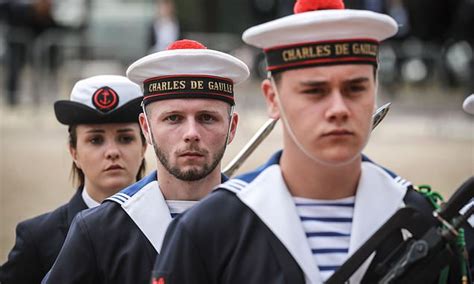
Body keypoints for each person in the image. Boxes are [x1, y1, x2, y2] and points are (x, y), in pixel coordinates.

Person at [152, 0, 473, 283]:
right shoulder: (210, 228)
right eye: (314, 91)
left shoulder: (418, 219)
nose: (338, 109)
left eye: (355, 89)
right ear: (272, 99)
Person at [41, 39, 250, 284]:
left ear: (232, 127)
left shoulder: (261, 222)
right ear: (146, 128)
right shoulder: (98, 231)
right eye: (173, 118)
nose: (191, 133)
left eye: (207, 117)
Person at [0, 75, 147, 283]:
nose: (112, 152)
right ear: (74, 151)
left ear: (144, 145)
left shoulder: (171, 226)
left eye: (125, 138)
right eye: (96, 140)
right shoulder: (38, 239)